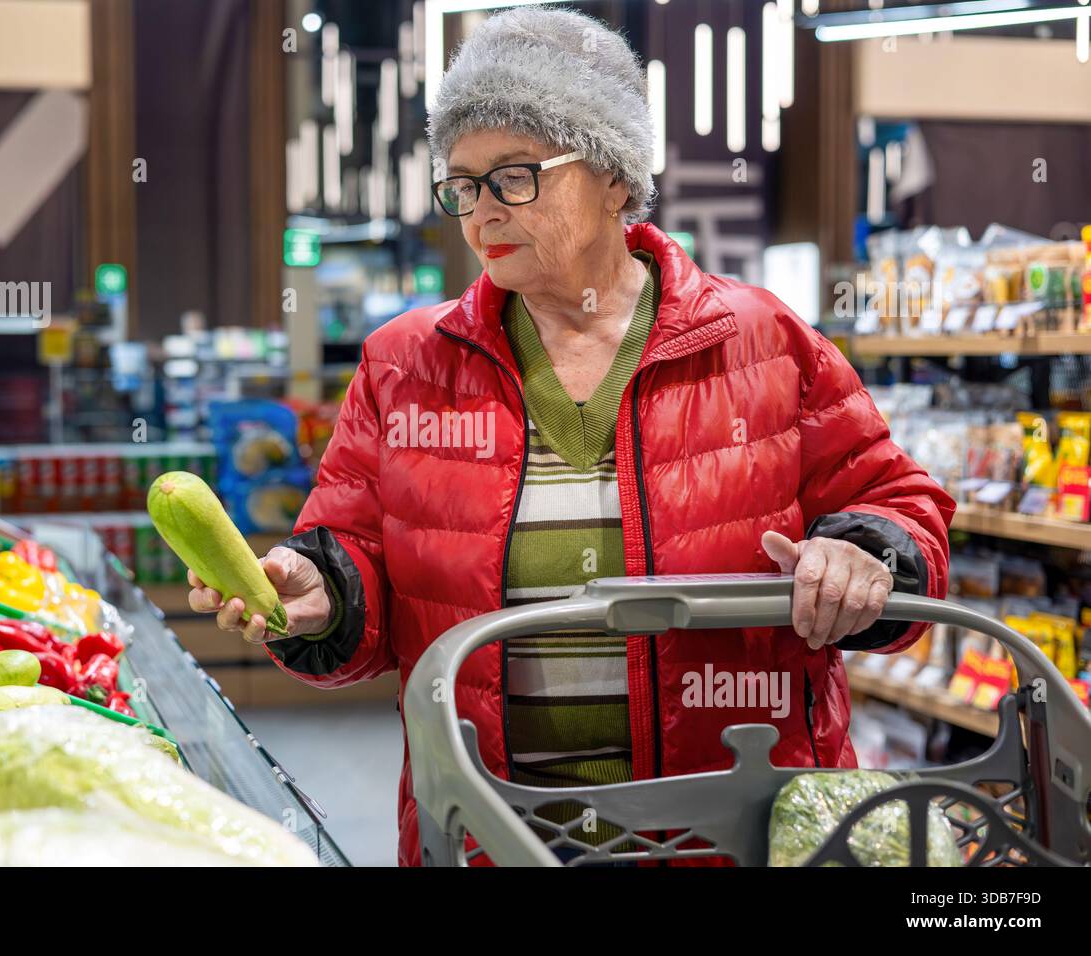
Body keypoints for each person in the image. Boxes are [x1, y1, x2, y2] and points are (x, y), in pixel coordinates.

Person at [188, 5, 954, 866]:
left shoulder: (760, 340)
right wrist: (321, 588)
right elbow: (356, 552)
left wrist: (864, 556)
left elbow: (896, 502)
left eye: (516, 176)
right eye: (463, 184)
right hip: (490, 830)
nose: (482, 214)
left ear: (617, 177)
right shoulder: (404, 364)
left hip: (730, 829)